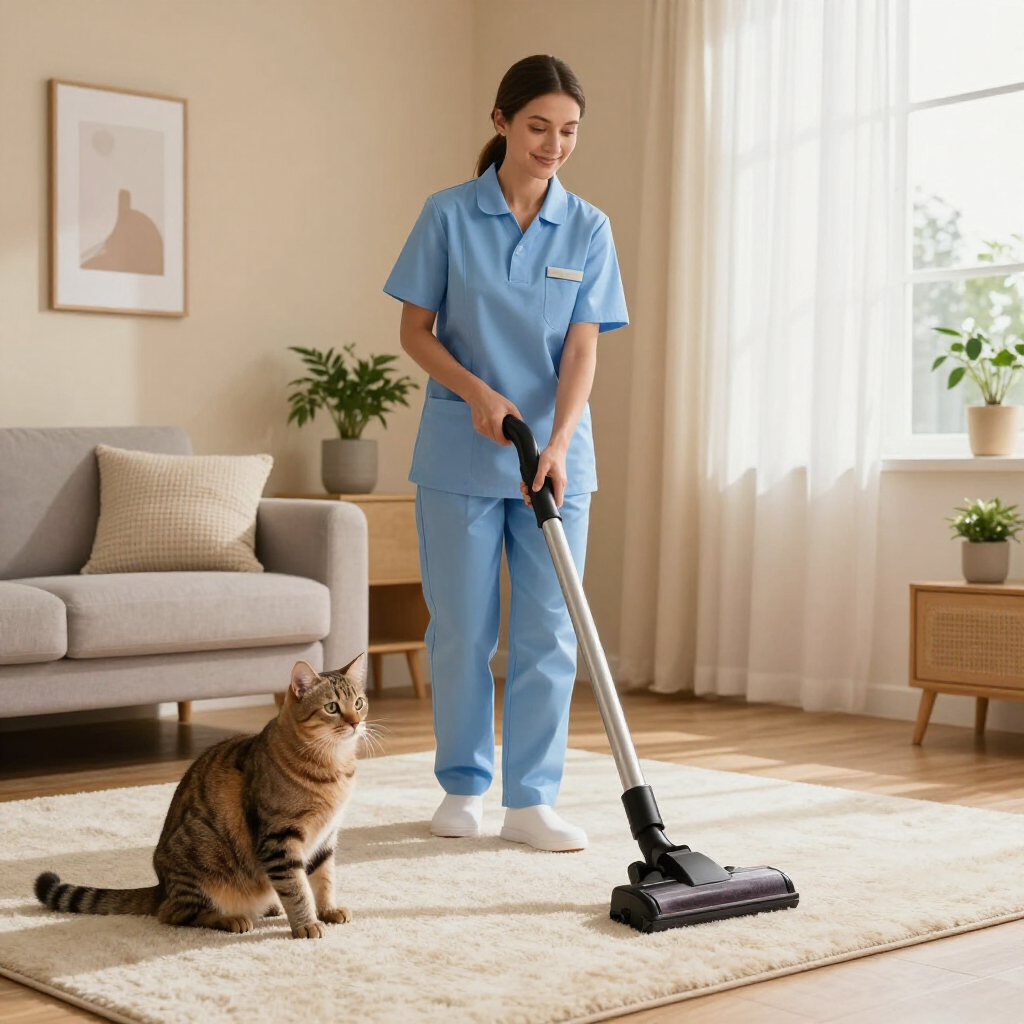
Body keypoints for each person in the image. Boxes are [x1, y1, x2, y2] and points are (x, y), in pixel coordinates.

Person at [382, 54, 628, 852]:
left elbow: (583, 352)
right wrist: (480, 393)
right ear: (500, 123)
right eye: (538, 127)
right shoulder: (448, 215)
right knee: (461, 629)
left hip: (556, 461)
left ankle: (531, 801)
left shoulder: (588, 227)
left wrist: (557, 443)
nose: (554, 144)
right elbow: (414, 332)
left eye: (569, 131)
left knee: (550, 630)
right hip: (462, 448)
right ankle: (463, 786)